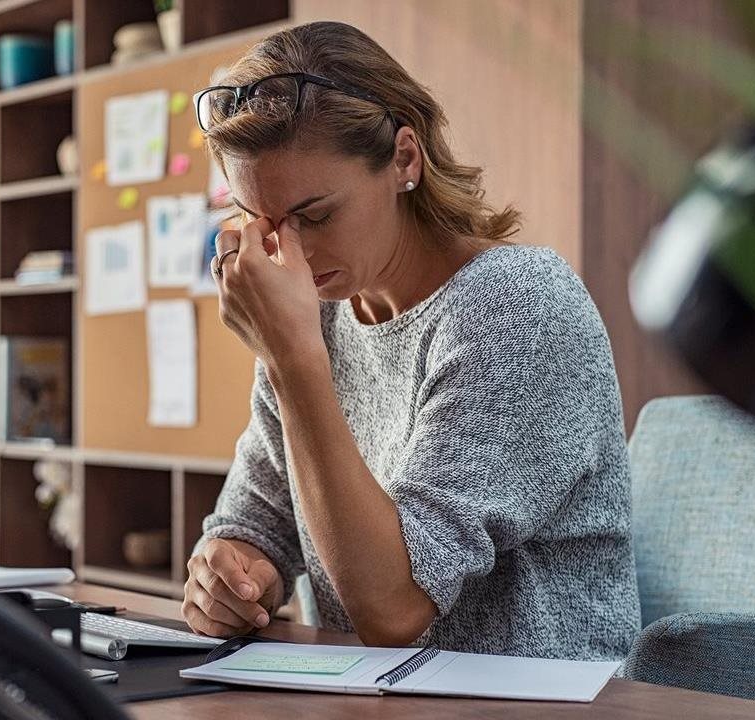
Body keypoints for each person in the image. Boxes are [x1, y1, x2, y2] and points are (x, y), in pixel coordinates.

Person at [183, 21, 639, 660]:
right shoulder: (317, 317)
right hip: (375, 698)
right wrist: (230, 573)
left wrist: (291, 361)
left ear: (405, 158)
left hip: (539, 704)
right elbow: (258, 520)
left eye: (315, 216)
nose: (290, 253)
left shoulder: (516, 306)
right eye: (263, 222)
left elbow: (394, 607)